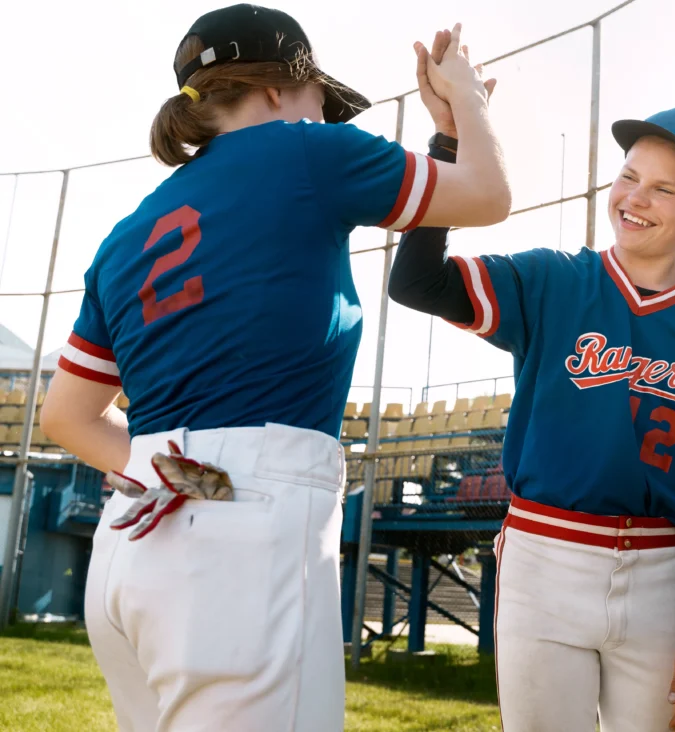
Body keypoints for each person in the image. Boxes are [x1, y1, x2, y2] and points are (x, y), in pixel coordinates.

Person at [39, 6, 509, 731]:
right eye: (319, 93)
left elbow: (66, 417)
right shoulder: (300, 151)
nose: (325, 113)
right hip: (242, 538)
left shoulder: (128, 232)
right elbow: (487, 194)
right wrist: (467, 103)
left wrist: (192, 478)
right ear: (277, 88)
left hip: (134, 541)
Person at [388, 35, 675, 732]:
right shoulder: (553, 280)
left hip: (665, 576)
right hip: (545, 557)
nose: (636, 198)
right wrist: (449, 143)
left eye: (665, 189)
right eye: (630, 175)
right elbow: (416, 280)